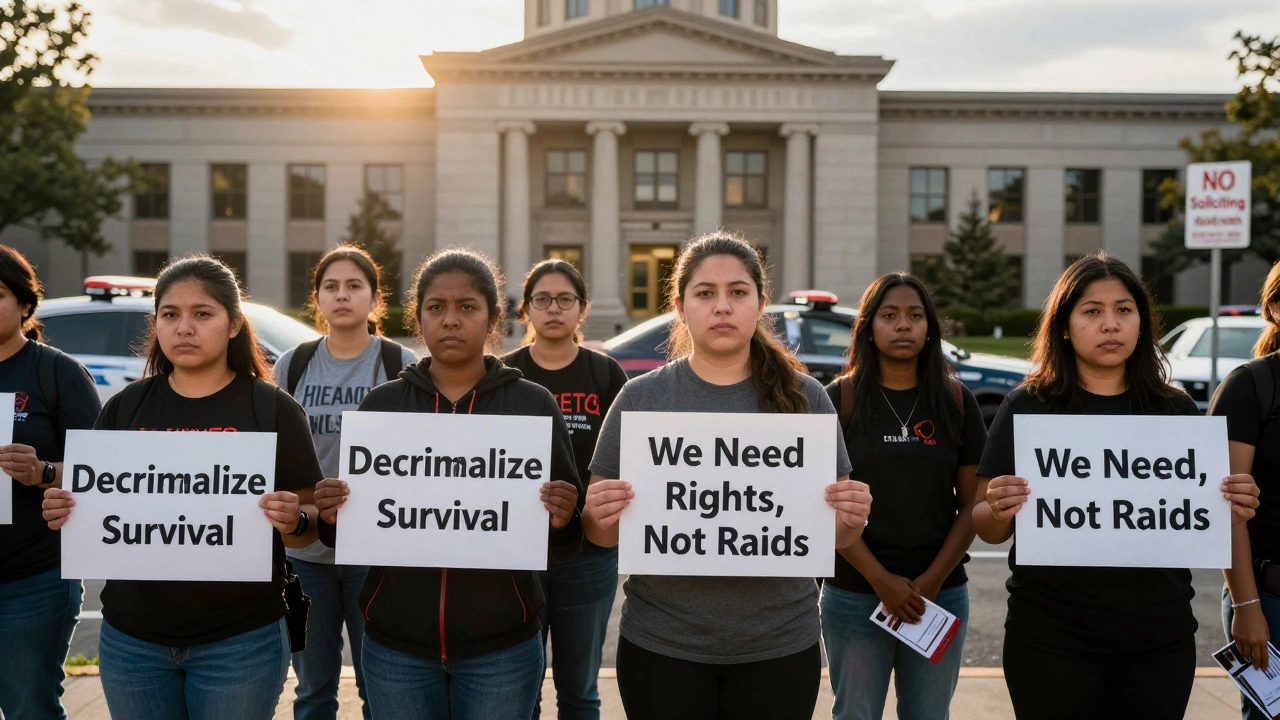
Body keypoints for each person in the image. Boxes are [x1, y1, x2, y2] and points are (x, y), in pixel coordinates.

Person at [582, 233, 872, 720]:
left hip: (780, 647)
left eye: (738, 292)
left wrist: (853, 516)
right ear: (680, 306)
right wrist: (598, 513)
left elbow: (838, 537)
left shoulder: (808, 399)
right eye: (705, 293)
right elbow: (601, 534)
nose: (722, 307)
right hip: (661, 646)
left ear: (760, 304)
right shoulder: (639, 400)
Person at [973, 253, 1260, 720]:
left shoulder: (1178, 411)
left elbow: (1207, 516)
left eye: (1124, 310)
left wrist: (1234, 500)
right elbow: (985, 527)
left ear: (1142, 323)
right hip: (1049, 640)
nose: (1111, 324)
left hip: (1158, 641)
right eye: (1092, 311)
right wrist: (998, 506)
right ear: (1064, 325)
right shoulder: (1028, 406)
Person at [41, 255, 323, 720]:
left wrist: (294, 520)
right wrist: (65, 510)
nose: (184, 328)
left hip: (241, 640)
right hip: (133, 642)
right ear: (155, 324)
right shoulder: (126, 407)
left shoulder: (271, 409)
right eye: (170, 315)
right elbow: (92, 501)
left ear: (234, 324)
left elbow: (307, 526)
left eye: (202, 314)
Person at [312, 248, 583, 720]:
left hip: (503, 648)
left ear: (494, 318)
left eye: (467, 307)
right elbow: (349, 537)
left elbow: (565, 541)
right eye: (436, 308)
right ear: (418, 319)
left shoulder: (532, 405)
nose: (451, 320)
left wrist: (563, 517)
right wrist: (334, 516)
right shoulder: (382, 405)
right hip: (396, 648)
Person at [820, 272, 985, 720]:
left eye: (915, 316)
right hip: (854, 593)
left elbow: (972, 503)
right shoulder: (841, 400)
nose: (903, 325)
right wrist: (880, 580)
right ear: (869, 327)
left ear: (930, 327)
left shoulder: (955, 401)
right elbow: (824, 506)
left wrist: (931, 581)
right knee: (855, 714)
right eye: (889, 315)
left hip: (939, 595)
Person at [273, 245, 417, 720]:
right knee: (313, 688)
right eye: (331, 287)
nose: (342, 295)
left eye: (355, 286)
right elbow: (272, 455)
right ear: (317, 299)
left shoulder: (401, 363)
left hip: (374, 553)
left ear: (376, 299)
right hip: (303, 553)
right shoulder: (293, 365)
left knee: (383, 688)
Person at [502, 259, 628, 720]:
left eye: (565, 299)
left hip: (588, 555)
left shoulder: (605, 374)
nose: (553, 308)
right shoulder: (503, 372)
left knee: (579, 691)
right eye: (542, 299)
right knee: (520, 691)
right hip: (516, 550)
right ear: (526, 310)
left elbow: (628, 461)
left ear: (582, 309)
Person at [0, 244, 101, 720]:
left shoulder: (57, 373)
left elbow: (103, 474)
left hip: (32, 578)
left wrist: (42, 472)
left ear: (25, 304)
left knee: (29, 707)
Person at [1215, 258, 1280, 719]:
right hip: (1271, 603)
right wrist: (1247, 605)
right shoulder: (1251, 385)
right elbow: (1223, 506)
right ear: (1276, 309)